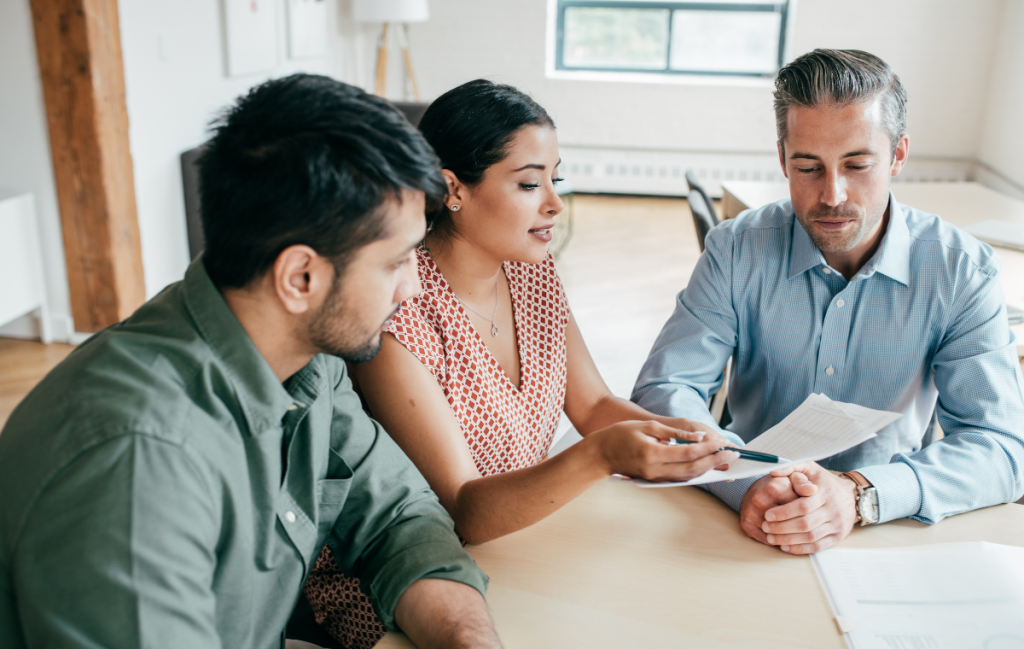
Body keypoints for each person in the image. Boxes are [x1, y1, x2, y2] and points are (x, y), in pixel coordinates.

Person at [0, 74, 501, 649]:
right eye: (396, 262)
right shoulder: (138, 459)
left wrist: (467, 638)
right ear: (300, 278)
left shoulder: (310, 362)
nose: (413, 289)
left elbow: (399, 516)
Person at [303, 79, 739, 646]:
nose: (555, 203)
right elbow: (465, 513)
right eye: (530, 183)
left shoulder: (531, 270)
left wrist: (688, 437)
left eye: (554, 179)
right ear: (451, 189)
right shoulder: (397, 309)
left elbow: (594, 404)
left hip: (525, 545)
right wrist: (603, 454)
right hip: (399, 586)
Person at [632, 49, 1024, 555]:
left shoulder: (961, 271)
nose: (833, 195)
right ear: (782, 159)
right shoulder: (735, 248)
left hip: (889, 526)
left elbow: (1002, 448)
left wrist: (859, 495)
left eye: (858, 164)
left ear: (898, 156)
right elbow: (665, 388)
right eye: (808, 167)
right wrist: (740, 479)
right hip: (744, 515)